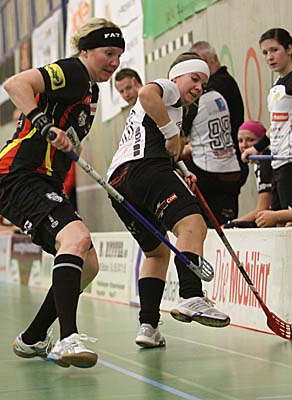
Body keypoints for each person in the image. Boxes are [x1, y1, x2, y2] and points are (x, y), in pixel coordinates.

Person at [0, 18, 125, 368]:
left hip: (45, 182)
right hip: (18, 175)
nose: (114, 62)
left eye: (119, 55)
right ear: (86, 51)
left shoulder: (91, 91)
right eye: (108, 53)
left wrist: (71, 147)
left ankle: (33, 337)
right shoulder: (73, 71)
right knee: (76, 238)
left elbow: (68, 136)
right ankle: (67, 339)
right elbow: (15, 83)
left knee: (88, 265)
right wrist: (43, 123)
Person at [107, 52, 230, 349]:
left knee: (156, 253)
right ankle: (191, 295)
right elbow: (146, 93)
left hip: (120, 183)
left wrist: (182, 170)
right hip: (146, 169)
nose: (198, 87)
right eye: (194, 79)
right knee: (193, 225)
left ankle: (148, 326)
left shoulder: (170, 110)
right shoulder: (167, 88)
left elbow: (160, 146)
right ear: (177, 76)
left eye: (203, 84)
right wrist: (172, 133)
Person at [242, 28, 292, 212]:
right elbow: (276, 126)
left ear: (289, 49)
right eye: (265, 53)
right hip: (278, 161)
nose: (270, 57)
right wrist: (257, 147)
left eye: (275, 50)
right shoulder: (277, 84)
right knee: (278, 218)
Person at [181, 68, 242, 225]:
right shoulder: (218, 95)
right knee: (227, 225)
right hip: (231, 168)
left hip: (207, 170)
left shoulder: (194, 102)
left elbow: (176, 144)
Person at [186, 41, 248, 192]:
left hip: (218, 164)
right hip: (228, 163)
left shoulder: (216, 88)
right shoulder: (223, 83)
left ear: (213, 59)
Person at [226, 121, 272, 228]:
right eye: (240, 141)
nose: (244, 145)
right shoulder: (259, 163)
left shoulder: (266, 162)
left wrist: (231, 224)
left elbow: (262, 208)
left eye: (251, 140)